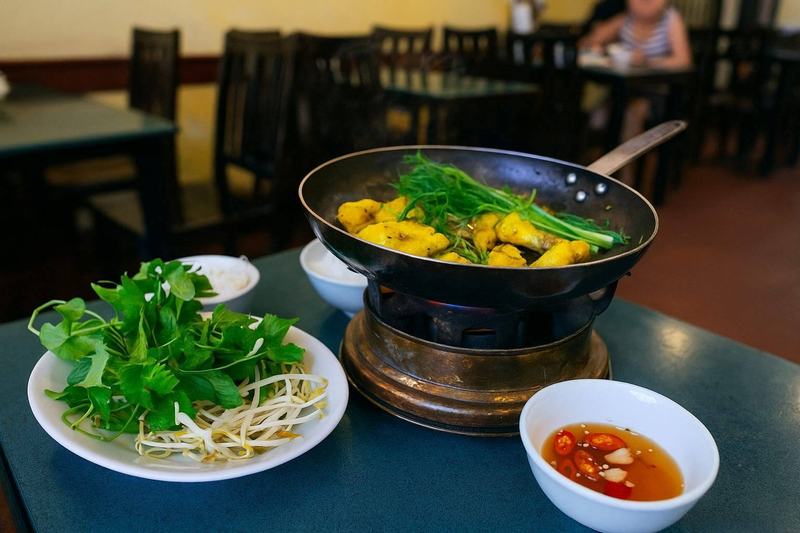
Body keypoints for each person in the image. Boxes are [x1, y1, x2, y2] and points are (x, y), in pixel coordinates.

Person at [580, 0, 692, 184]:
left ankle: (625, 180)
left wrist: (647, 60)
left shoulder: (670, 20)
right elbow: (588, 42)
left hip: (658, 94)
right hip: (622, 91)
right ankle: (594, 174)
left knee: (633, 112)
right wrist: (600, 46)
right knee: (597, 116)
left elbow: (683, 60)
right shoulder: (625, 19)